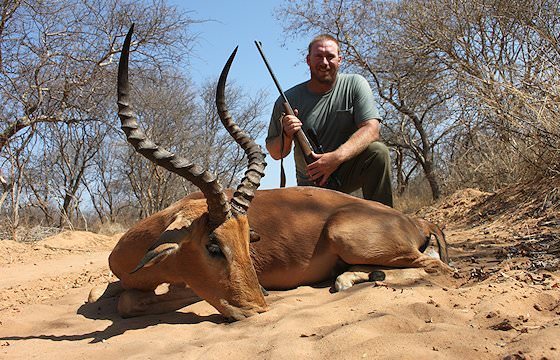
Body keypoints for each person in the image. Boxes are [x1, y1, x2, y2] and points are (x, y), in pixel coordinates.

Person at [265, 34, 393, 207]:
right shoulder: (287, 99)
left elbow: (372, 129)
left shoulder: (355, 84)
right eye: (318, 56)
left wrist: (335, 159)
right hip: (311, 183)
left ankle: (385, 222)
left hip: (345, 171)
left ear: (339, 60)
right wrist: (287, 135)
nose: (324, 62)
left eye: (330, 57)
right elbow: (275, 153)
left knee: (378, 152)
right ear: (308, 60)